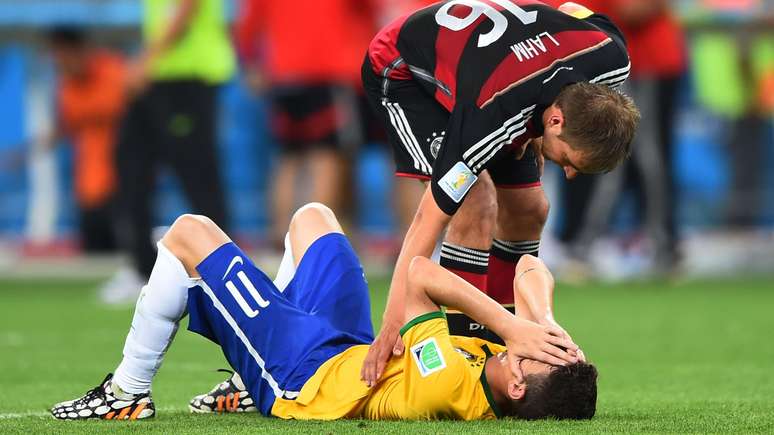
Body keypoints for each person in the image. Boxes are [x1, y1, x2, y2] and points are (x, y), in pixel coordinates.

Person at [51, 203, 591, 421]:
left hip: (304, 377)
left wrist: (507, 324)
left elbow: (418, 274)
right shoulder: (511, 362)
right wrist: (543, 322)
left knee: (188, 233)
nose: (530, 346)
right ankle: (243, 375)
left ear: (518, 386)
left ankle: (126, 393)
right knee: (315, 219)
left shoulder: (449, 382)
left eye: (539, 355)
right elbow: (526, 267)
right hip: (351, 351)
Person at [360, 0, 639, 382]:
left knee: (531, 207)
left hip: (498, 76)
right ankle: (467, 355)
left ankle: (509, 340)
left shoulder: (611, 57)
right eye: (571, 160)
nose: (571, 174)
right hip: (405, 69)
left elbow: (573, 8)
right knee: (474, 203)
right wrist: (392, 321)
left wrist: (538, 129)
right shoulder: (493, 114)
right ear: (556, 120)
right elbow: (430, 217)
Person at [107, 0, 235, 303]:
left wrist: (145, 60)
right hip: (158, 77)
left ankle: (223, 276)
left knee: (197, 177)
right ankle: (142, 268)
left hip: (187, 77)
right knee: (131, 166)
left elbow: (186, 8)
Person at [235, 0, 379, 249]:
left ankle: (281, 237)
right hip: (328, 72)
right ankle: (317, 238)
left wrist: (251, 67)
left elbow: (247, 27)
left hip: (283, 73)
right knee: (327, 157)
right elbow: (370, 12)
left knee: (288, 158)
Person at [46, 27, 126, 253]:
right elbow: (68, 122)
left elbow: (113, 107)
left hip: (121, 181)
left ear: (80, 51)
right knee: (94, 254)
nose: (61, 64)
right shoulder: (67, 86)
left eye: (64, 56)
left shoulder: (112, 72)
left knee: (126, 254)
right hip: (89, 186)